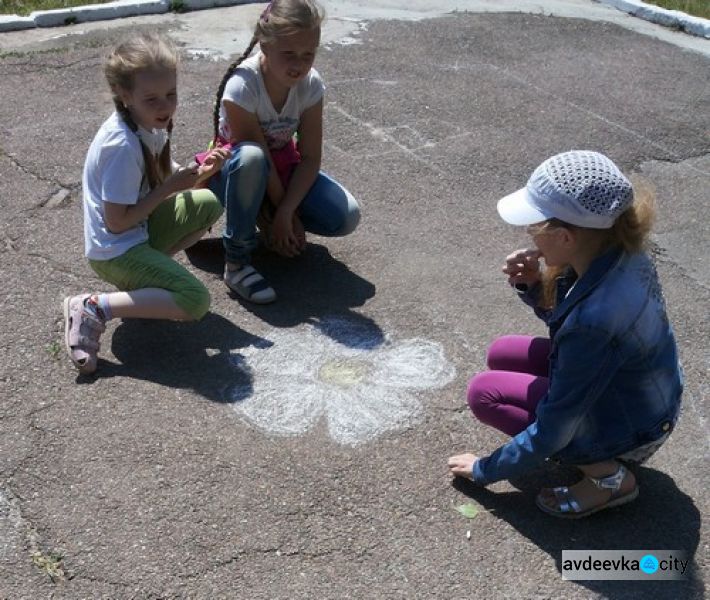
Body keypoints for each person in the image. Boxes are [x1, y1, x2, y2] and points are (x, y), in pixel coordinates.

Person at [448, 150, 683, 518]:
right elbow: (570, 318)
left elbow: (554, 429)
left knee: (484, 394)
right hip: (647, 397)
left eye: (534, 227)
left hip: (636, 426)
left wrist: (485, 469)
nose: (530, 235)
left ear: (564, 236)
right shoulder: (619, 249)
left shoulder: (593, 321)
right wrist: (533, 284)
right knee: (501, 352)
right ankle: (601, 457)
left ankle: (608, 477)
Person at [63, 33, 228, 375]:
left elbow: (158, 177)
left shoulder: (147, 122)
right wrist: (170, 187)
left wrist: (197, 171)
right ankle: (93, 307)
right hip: (115, 249)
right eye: (152, 98)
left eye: (171, 94)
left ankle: (149, 287)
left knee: (206, 202)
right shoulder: (121, 145)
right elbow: (117, 223)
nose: (165, 106)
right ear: (125, 96)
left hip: (135, 229)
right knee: (196, 300)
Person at [203, 0, 361, 304]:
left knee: (346, 216)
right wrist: (277, 215)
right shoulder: (242, 87)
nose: (298, 65)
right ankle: (236, 261)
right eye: (288, 54)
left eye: (308, 55)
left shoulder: (310, 85)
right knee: (252, 158)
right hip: (234, 172)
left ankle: (272, 231)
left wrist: (287, 213)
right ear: (264, 43)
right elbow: (257, 156)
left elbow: (311, 157)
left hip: (282, 167)